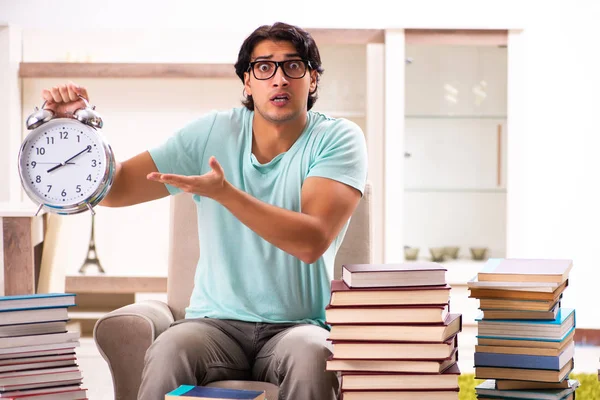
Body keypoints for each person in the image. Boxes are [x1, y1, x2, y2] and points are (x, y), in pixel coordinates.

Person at [42, 22, 368, 400]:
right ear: (247, 82)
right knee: (168, 349)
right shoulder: (212, 132)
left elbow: (311, 240)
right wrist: (76, 129)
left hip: (298, 327)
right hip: (214, 326)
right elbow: (113, 190)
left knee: (314, 355)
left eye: (293, 66)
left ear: (312, 79)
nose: (279, 79)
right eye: (264, 67)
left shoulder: (338, 138)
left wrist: (227, 194)